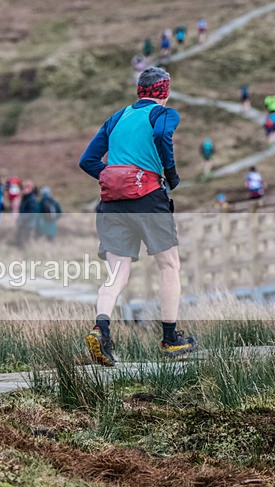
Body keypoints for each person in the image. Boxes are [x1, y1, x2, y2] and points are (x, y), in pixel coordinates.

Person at [79, 66, 197, 366]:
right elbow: (161, 134)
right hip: (148, 199)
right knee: (169, 265)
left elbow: (87, 160)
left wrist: (111, 177)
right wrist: (170, 174)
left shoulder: (118, 117)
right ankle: (170, 339)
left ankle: (101, 328)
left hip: (111, 204)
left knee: (117, 273)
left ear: (139, 90)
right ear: (165, 91)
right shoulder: (165, 115)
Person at [14, 180, 38, 249]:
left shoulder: (31, 198)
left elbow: (31, 212)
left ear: (30, 188)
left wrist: (22, 219)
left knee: (26, 243)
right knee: (21, 243)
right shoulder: (25, 198)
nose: (24, 189)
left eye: (26, 187)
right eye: (23, 187)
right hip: (24, 224)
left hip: (28, 225)